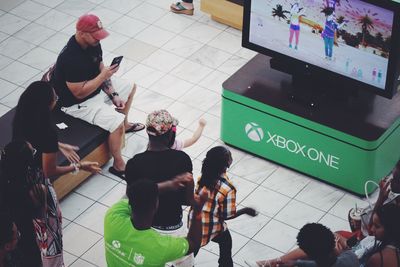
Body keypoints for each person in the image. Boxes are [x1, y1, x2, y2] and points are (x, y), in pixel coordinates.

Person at [11, 81, 100, 266]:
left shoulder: (21, 117)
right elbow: (48, 170)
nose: (56, 100)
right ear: (47, 105)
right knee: (49, 229)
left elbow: (34, 139)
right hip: (36, 185)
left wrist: (58, 145)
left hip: (16, 176)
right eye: (55, 98)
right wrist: (79, 166)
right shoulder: (48, 132)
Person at [50, 13, 144, 179]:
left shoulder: (93, 44)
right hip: (76, 104)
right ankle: (118, 164)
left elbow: (100, 67)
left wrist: (113, 94)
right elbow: (79, 92)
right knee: (116, 121)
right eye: (95, 36)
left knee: (130, 87)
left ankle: (125, 126)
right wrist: (103, 76)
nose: (98, 39)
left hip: (95, 88)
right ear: (82, 33)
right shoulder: (70, 58)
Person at [125, 109, 195, 266]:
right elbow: (188, 200)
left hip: (145, 229)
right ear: (170, 134)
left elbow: (132, 197)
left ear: (148, 134)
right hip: (173, 228)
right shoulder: (182, 159)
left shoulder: (134, 163)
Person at [104, 179, 207, 267]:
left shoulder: (112, 217)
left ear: (130, 203)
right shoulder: (161, 247)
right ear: (155, 205)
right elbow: (193, 243)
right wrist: (197, 211)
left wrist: (168, 184)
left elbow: (130, 195)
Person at [189, 146, 257, 267]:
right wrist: (245, 210)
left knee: (193, 251)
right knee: (222, 244)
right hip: (209, 225)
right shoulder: (228, 188)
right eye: (230, 156)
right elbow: (227, 215)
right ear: (227, 163)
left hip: (194, 220)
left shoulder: (201, 178)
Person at [245, 223, 359, 267]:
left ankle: (268, 263)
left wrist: (297, 263)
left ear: (308, 254)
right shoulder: (351, 258)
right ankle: (268, 263)